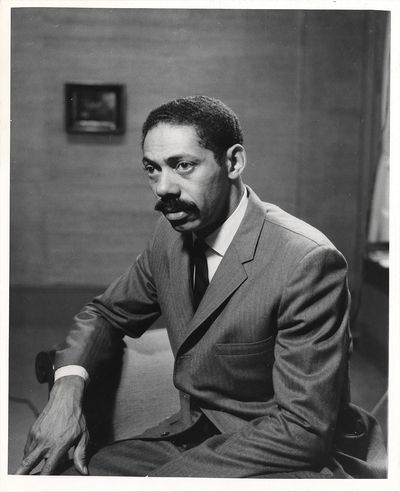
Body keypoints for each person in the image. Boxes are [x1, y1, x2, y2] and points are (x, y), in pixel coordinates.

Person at [17, 96, 386, 478]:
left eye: (183, 165)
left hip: (283, 457)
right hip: (192, 436)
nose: (163, 187)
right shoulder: (169, 235)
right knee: (57, 475)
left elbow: (303, 431)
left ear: (233, 162)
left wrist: (159, 483)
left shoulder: (307, 260)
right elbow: (106, 314)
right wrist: (66, 389)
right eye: (152, 169)